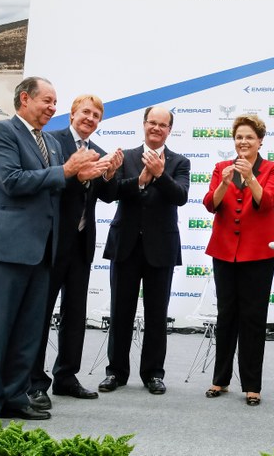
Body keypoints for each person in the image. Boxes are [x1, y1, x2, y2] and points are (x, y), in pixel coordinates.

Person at [0, 77, 103, 432]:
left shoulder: (51, 143)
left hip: (45, 250)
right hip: (7, 248)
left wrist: (82, 177)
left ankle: (16, 397)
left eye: (55, 102)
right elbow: (12, 181)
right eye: (47, 100)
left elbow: (57, 186)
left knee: (29, 331)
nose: (52, 107)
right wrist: (66, 172)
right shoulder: (1, 132)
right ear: (25, 98)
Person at [28, 95, 124, 410]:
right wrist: (78, 174)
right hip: (51, 242)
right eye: (86, 112)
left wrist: (109, 174)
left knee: (75, 315)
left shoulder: (98, 150)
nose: (91, 118)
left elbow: (107, 196)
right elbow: (50, 184)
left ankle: (66, 377)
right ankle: (34, 383)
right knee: (40, 315)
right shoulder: (51, 142)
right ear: (72, 114)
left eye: (97, 115)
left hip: (82, 243)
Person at [98, 105, 190, 396]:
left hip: (161, 248)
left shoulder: (179, 162)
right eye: (153, 123)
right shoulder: (125, 156)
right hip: (126, 244)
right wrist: (138, 181)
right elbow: (109, 194)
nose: (157, 128)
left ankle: (153, 373)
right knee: (120, 312)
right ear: (144, 124)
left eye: (163, 125)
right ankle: (115, 372)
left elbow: (180, 196)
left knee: (156, 315)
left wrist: (160, 175)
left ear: (169, 130)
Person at [203, 114, 274, 406]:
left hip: (258, 253)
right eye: (239, 137)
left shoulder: (272, 168)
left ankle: (252, 385)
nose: (243, 142)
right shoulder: (221, 167)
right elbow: (211, 203)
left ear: (260, 140)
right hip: (225, 251)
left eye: (249, 137)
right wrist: (224, 184)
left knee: (253, 318)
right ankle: (220, 380)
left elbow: (268, 203)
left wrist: (250, 177)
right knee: (226, 318)